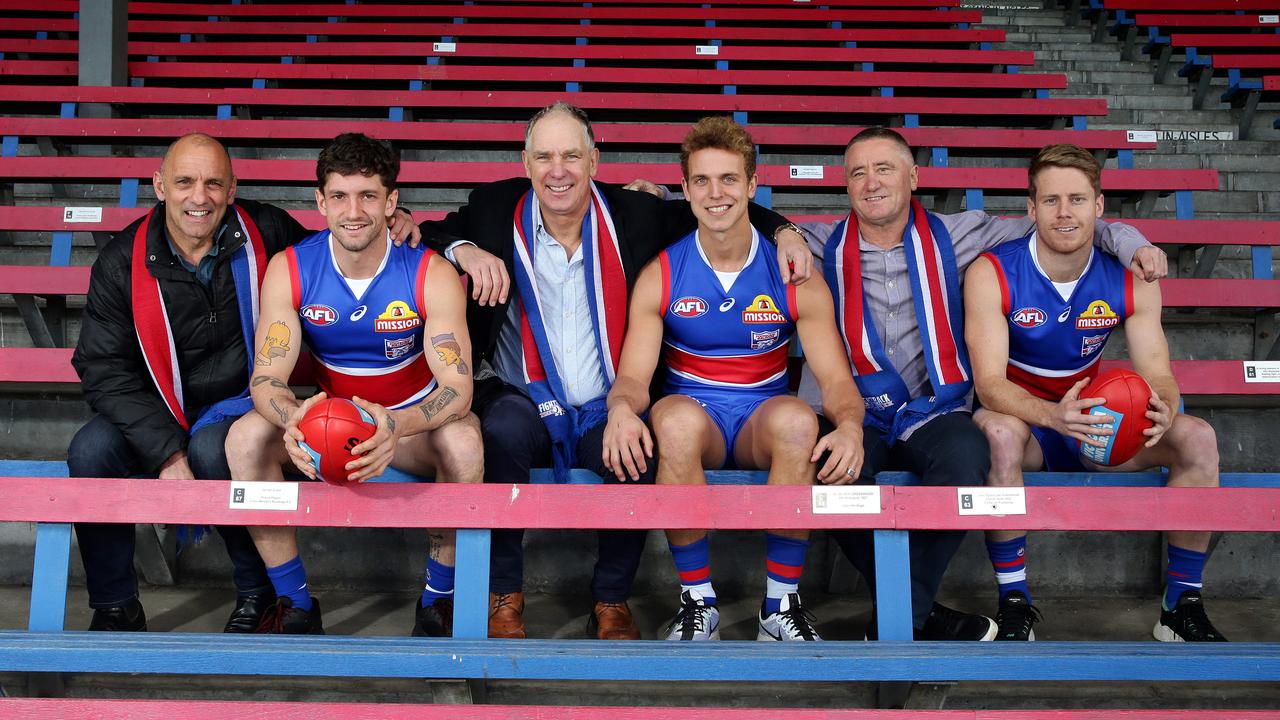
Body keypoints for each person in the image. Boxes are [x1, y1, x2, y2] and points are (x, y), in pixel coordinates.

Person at [422, 102, 813, 640]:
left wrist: (787, 229)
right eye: (544, 157)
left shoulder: (635, 213)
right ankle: (504, 594)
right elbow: (429, 229)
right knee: (502, 432)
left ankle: (611, 599)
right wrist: (465, 251)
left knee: (635, 450)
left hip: (607, 398)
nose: (557, 170)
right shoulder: (494, 207)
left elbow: (721, 207)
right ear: (526, 161)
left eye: (571, 156)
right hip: (523, 394)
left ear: (595, 161)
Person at [793, 127, 1167, 641]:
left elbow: (1063, 223)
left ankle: (903, 615)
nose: (872, 182)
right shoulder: (815, 243)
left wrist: (1131, 240)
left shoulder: (965, 232)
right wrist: (662, 197)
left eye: (885, 168)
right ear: (846, 185)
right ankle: (917, 615)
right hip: (850, 410)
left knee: (969, 459)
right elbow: (744, 225)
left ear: (914, 177)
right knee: (829, 472)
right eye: (858, 172)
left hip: (933, 408)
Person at [69, 133, 419, 633]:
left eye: (214, 183)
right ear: (159, 186)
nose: (199, 196)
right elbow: (102, 369)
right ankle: (113, 605)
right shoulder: (122, 261)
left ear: (232, 189)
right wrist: (168, 453)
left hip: (239, 403)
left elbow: (338, 247)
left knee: (220, 448)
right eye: (185, 182)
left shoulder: (266, 230)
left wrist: (391, 224)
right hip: (151, 410)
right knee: (89, 452)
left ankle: (257, 595)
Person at [603, 116, 864, 642]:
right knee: (669, 419)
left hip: (759, 420)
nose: (715, 193)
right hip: (694, 416)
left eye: (728, 180)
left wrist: (852, 426)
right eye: (701, 180)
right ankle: (698, 604)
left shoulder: (794, 274)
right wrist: (620, 411)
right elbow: (633, 377)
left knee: (797, 420)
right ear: (685, 189)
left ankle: (780, 606)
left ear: (751, 185)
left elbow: (835, 381)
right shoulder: (662, 272)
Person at [224, 133, 482, 635]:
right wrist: (293, 420)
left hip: (406, 430)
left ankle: (437, 601)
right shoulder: (291, 268)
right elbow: (266, 378)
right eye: (339, 196)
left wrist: (396, 425)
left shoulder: (431, 273)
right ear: (320, 201)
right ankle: (296, 603)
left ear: (391, 202)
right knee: (245, 437)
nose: (353, 210)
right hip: (324, 425)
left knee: (465, 440)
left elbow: (458, 387)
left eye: (368, 196)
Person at [964, 143, 1224, 642]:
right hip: (1030, 426)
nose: (1065, 213)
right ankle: (1014, 600)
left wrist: (1165, 408)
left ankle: (1181, 604)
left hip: (1098, 427)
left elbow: (1159, 373)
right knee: (996, 432)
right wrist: (1053, 416)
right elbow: (991, 386)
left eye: (1078, 200)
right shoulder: (991, 271)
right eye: (1051, 200)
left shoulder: (1133, 278)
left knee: (1198, 438)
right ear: (1031, 208)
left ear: (1099, 207)